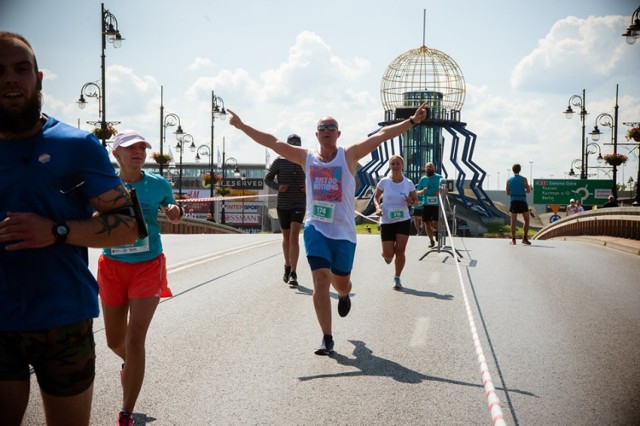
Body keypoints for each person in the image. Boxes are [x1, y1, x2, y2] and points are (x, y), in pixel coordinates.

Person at [0, 32, 139, 426]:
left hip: (62, 320)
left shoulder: (76, 145)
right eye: (0, 71)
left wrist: (56, 231)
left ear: (38, 79)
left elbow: (128, 227)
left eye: (21, 69)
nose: (10, 79)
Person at [228, 102, 428, 355]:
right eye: (322, 127)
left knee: (340, 283)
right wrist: (242, 125)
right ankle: (327, 337)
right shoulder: (306, 158)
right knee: (321, 280)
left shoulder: (349, 155)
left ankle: (344, 295)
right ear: (316, 134)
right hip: (316, 228)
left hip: (343, 232)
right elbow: (273, 142)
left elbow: (381, 136)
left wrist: (411, 121)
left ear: (338, 133)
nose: (326, 131)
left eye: (331, 127)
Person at [97, 130, 184, 426]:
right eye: (130, 148)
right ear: (116, 154)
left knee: (135, 340)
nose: (137, 152)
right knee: (113, 341)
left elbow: (173, 209)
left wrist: (175, 211)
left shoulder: (158, 184)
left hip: (148, 264)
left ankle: (126, 411)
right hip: (112, 266)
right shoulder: (105, 182)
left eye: (141, 148)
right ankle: (131, 365)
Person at [264, 133, 306, 286]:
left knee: (294, 236)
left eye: (297, 144)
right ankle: (287, 265)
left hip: (299, 203)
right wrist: (278, 187)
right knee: (286, 238)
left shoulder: (306, 160)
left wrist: (309, 187)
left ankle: (294, 272)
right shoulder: (279, 161)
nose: (294, 147)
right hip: (283, 204)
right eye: (291, 144)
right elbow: (267, 178)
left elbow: (317, 177)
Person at [373, 155, 418, 290]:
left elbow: (416, 201)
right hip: (387, 220)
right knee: (388, 254)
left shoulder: (408, 183)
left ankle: (397, 277)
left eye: (398, 163)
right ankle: (386, 254)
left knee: (400, 250)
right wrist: (377, 207)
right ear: (389, 166)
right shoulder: (384, 182)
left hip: (403, 219)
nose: (395, 166)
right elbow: (376, 197)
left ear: (402, 165)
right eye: (393, 164)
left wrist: (411, 201)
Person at [416, 162, 444, 248]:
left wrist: (440, 192)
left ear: (434, 168)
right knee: (426, 223)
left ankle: (436, 231)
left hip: (436, 204)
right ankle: (431, 240)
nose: (428, 168)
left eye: (430, 166)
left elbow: (446, 189)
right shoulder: (422, 179)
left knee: (435, 223)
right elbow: (417, 192)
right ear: (425, 169)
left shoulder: (440, 178)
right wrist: (422, 192)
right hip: (426, 204)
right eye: (427, 167)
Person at [505, 163, 531, 245]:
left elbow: (508, 193)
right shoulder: (524, 179)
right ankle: (525, 238)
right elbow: (529, 190)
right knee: (526, 220)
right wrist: (523, 190)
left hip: (514, 201)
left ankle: (513, 239)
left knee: (513, 221)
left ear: (513, 170)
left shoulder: (509, 181)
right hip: (522, 201)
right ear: (520, 170)